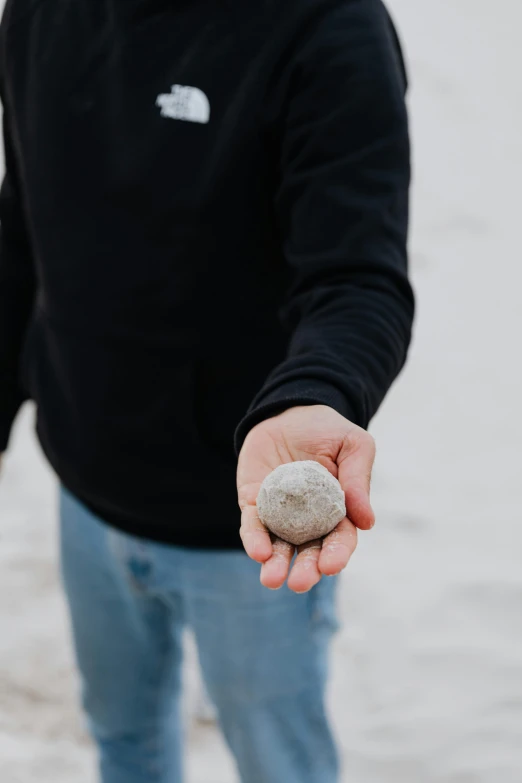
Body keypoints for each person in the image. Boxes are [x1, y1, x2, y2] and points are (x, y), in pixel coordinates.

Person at [0, 0, 414, 780]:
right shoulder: (37, 13)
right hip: (84, 485)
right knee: (122, 741)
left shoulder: (329, 26)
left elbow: (358, 278)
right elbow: (25, 222)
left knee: (277, 762)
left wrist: (315, 394)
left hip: (249, 528)